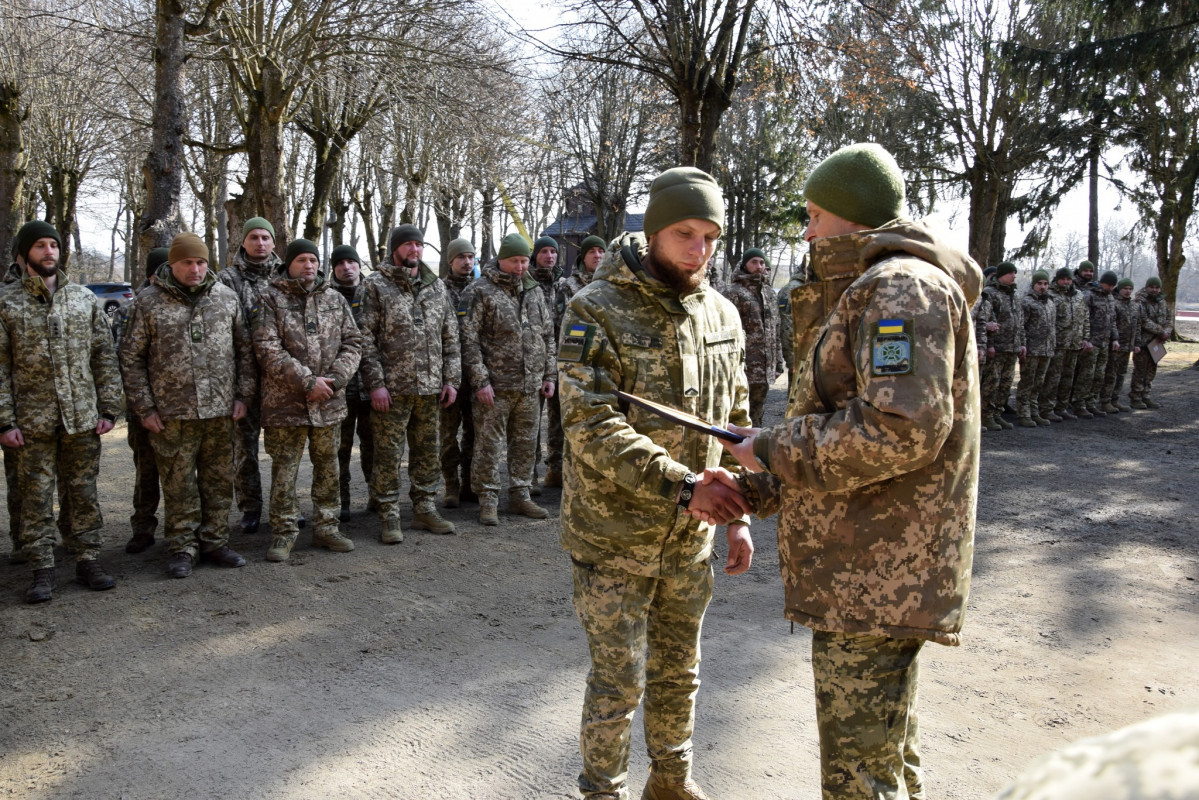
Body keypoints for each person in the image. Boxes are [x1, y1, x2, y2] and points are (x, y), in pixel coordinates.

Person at [720, 143, 980, 800]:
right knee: (883, 757)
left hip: (874, 574)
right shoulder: (879, 284)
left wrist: (773, 449)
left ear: (850, 216)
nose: (805, 232)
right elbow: (848, 421)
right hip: (870, 566)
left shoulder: (897, 287)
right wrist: (756, 485)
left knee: (858, 780)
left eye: (812, 216)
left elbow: (899, 430)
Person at [558, 166, 755, 800]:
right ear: (652, 231)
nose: (698, 249)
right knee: (619, 680)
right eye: (683, 233)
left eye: (709, 236)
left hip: (691, 538)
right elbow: (588, 422)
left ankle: (671, 781)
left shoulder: (722, 313)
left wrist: (740, 514)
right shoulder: (594, 308)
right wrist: (682, 485)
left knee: (680, 673)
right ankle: (603, 791)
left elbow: (738, 425)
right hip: (615, 537)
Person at [0, 220, 124, 602]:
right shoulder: (7, 303)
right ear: (24, 255)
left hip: (81, 418)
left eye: (53, 245)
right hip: (31, 422)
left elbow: (103, 355)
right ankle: (42, 568)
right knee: (35, 496)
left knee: (82, 492)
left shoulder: (83, 300)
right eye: (39, 246)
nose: (49, 252)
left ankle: (87, 558)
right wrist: (5, 420)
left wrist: (109, 407)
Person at [119, 232, 256, 578]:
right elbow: (131, 359)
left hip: (220, 411)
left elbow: (244, 352)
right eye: (187, 263)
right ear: (172, 264)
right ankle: (182, 546)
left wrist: (243, 395)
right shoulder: (148, 302)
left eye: (200, 262)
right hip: (172, 413)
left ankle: (214, 540)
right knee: (179, 484)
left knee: (218, 480)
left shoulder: (225, 298)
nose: (195, 269)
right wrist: (145, 408)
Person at [254, 239, 362, 562]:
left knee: (328, 468)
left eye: (313, 260)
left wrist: (335, 379)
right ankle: (284, 532)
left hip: (329, 403)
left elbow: (353, 342)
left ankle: (327, 527)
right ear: (289, 264)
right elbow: (266, 348)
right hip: (286, 405)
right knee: (285, 471)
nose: (309, 265)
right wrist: (307, 382)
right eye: (301, 259)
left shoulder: (333, 299)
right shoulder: (270, 298)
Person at [358, 224, 460, 543]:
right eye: (408, 245)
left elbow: (450, 336)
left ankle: (425, 508)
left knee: (427, 451)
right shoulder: (375, 285)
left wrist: (451, 379)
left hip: (430, 388)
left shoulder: (435, 286)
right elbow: (365, 339)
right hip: (392, 390)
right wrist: (376, 383)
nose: (415, 250)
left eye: (419, 245)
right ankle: (389, 514)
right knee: (387, 454)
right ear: (395, 249)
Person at [459, 233, 556, 525]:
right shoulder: (480, 291)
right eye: (514, 261)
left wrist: (549, 374)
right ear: (501, 260)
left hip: (530, 386)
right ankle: (487, 499)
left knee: (526, 443)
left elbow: (548, 336)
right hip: (495, 387)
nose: (520, 267)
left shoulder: (535, 291)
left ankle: (520, 495)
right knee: (488, 445)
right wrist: (480, 381)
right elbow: (469, 341)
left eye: (524, 261)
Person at [219, 217, 283, 532]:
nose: (260, 243)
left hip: (280, 380)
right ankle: (250, 509)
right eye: (254, 237)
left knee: (285, 448)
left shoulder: (287, 276)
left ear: (273, 242)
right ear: (243, 242)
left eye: (265, 238)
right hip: (241, 378)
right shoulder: (226, 280)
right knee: (244, 450)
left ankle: (285, 507)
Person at [113, 246, 169, 553]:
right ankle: (143, 527)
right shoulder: (130, 309)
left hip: (177, 407)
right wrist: (141, 404)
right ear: (150, 274)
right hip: (142, 408)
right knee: (146, 471)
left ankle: (184, 528)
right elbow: (123, 361)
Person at [547, 234, 606, 488]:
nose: (598, 256)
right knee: (562, 417)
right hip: (572, 360)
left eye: (601, 251)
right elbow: (560, 326)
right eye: (592, 251)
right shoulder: (567, 286)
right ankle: (555, 468)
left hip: (602, 364)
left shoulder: (609, 287)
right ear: (583, 256)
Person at [329, 244, 374, 519]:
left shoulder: (374, 293)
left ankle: (377, 496)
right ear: (334, 268)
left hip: (372, 388)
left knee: (374, 447)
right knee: (339, 450)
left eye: (351, 262)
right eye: (341, 263)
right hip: (340, 390)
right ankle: (341, 502)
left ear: (359, 265)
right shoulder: (326, 297)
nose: (347, 267)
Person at [721, 247, 786, 426]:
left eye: (762, 262)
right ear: (744, 265)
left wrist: (778, 363)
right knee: (737, 414)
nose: (759, 266)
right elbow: (724, 331)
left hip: (764, 369)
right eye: (754, 262)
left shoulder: (769, 293)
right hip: (742, 367)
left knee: (757, 414)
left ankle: (753, 447)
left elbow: (776, 330)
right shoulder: (732, 292)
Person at [440, 237, 477, 507]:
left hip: (478, 376)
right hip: (448, 377)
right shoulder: (438, 290)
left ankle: (469, 484)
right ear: (451, 261)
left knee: (475, 433)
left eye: (470, 257)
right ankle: (451, 485)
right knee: (447, 434)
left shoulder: (483, 289)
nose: (466, 262)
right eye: (461, 257)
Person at [975, 261, 1024, 431]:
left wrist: (1021, 343)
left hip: (1012, 346)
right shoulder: (990, 293)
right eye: (1010, 273)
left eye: (1014, 273)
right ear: (1000, 275)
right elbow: (988, 321)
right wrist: (991, 345)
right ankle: (985, 415)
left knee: (1005, 383)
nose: (1013, 276)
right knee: (991, 383)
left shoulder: (1015, 295)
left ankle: (997, 414)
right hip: (997, 347)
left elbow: (1020, 321)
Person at [529, 235, 561, 495]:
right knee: (531, 423)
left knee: (559, 421)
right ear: (535, 255)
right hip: (534, 362)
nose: (549, 256)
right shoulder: (526, 284)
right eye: (544, 252)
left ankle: (556, 470)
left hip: (562, 360)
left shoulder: (563, 285)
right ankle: (529, 476)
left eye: (553, 252)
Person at [1041, 267, 1089, 422]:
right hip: (1058, 344)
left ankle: (1062, 407)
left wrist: (1085, 337)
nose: (1066, 282)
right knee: (1053, 377)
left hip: (1074, 343)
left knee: (1068, 377)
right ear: (1057, 279)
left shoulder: (1078, 296)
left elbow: (1085, 317)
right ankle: (1047, 408)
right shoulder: (1050, 295)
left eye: (1069, 279)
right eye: (1063, 279)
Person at [1076, 270, 1120, 417]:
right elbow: (1083, 318)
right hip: (1092, 342)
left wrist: (1115, 338)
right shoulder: (1090, 295)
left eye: (1113, 286)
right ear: (1102, 283)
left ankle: (1091, 402)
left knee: (1099, 375)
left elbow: (1112, 320)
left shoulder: (1110, 298)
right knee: (1086, 374)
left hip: (1105, 343)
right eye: (1109, 285)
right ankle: (1079, 403)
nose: (1111, 288)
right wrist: (1086, 339)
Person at [1016, 270, 1056, 427]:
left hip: (1046, 350)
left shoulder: (1050, 303)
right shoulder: (1027, 302)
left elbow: (1053, 327)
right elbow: (1021, 325)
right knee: (1027, 382)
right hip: (1032, 349)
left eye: (1045, 284)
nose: (1043, 287)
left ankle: (1034, 411)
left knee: (1038, 383)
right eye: (1039, 283)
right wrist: (1023, 344)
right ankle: (1023, 413)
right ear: (1034, 285)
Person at [1130, 276, 1171, 409]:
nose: (1154, 290)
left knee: (1151, 371)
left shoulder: (1162, 302)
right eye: (1151, 287)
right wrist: (1161, 331)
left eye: (1157, 287)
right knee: (1140, 371)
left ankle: (1146, 395)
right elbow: (1143, 320)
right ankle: (1136, 397)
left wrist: (1168, 331)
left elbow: (1169, 319)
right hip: (1142, 342)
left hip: (1157, 343)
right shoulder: (1140, 301)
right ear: (1147, 287)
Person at [1101, 277, 1139, 413]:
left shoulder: (1134, 305)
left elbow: (1137, 326)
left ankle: (1115, 399)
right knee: (1111, 374)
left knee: (1121, 374)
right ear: (1120, 289)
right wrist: (1114, 340)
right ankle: (1105, 400)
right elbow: (1111, 324)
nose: (1128, 291)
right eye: (1125, 289)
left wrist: (1136, 343)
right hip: (1116, 345)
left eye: (1130, 289)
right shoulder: (1114, 303)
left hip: (1128, 346)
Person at [776, 256, 808, 388]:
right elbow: (786, 327)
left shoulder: (815, 286)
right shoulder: (792, 290)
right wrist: (791, 360)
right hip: (799, 357)